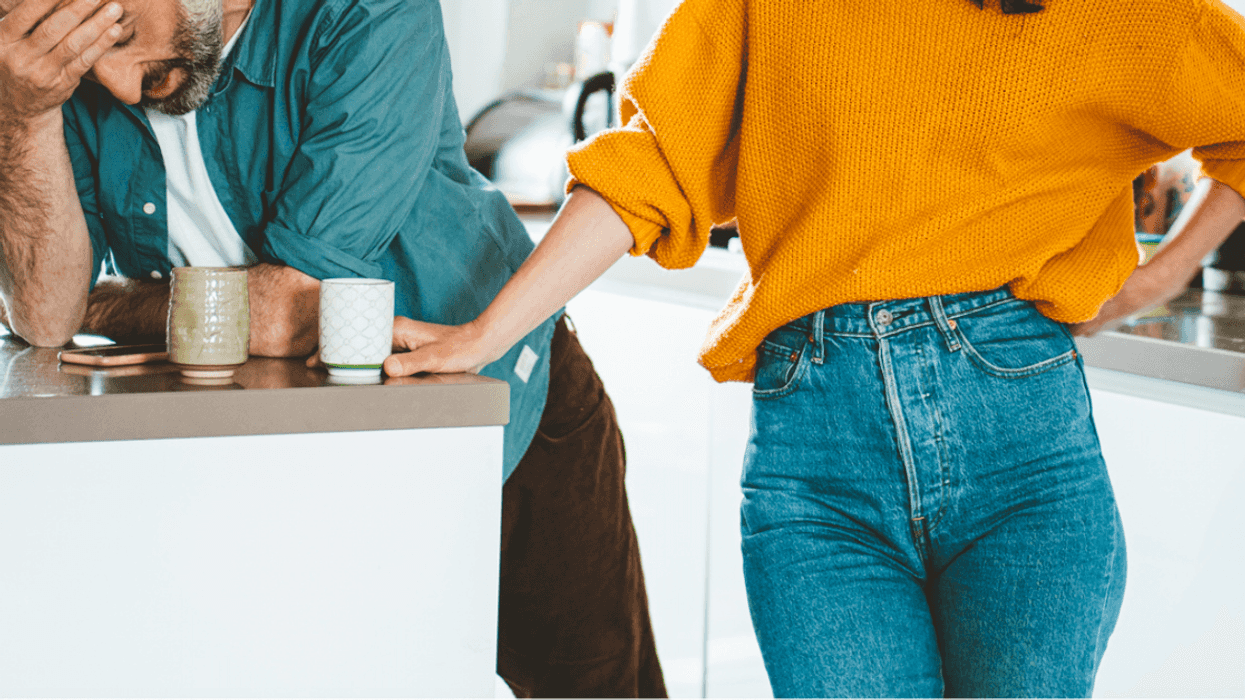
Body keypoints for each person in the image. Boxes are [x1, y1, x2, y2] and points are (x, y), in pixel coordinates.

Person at [374, 0, 1245, 696]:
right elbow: (651, 162)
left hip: (1022, 451)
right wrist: (489, 332)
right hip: (816, 464)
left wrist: (1159, 274)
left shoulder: (1113, 11)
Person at [0, 0, 667, 695]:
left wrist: (108, 302)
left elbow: (291, 312)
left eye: (121, 39)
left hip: (494, 418)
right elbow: (46, 315)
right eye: (73, 58)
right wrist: (25, 112)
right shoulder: (71, 72)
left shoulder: (366, 12)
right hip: (292, 460)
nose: (118, 89)